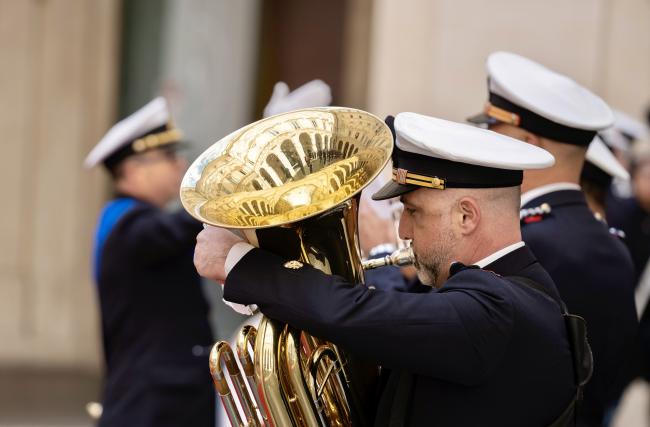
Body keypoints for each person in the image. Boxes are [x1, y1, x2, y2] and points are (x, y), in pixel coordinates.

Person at [193, 112, 584, 427]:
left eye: (414, 212)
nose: (403, 231)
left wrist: (239, 263)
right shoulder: (515, 294)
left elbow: (361, 313)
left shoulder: (498, 308)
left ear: (467, 216)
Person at [468, 51, 637, 427]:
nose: (485, 143)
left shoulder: (524, 241)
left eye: (495, 130)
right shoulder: (611, 243)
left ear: (528, 144)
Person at [84, 97, 214, 427]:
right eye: (168, 157)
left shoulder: (127, 221)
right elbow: (176, 228)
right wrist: (226, 193)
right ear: (132, 169)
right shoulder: (129, 226)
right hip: (153, 406)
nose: (179, 165)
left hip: (161, 401)